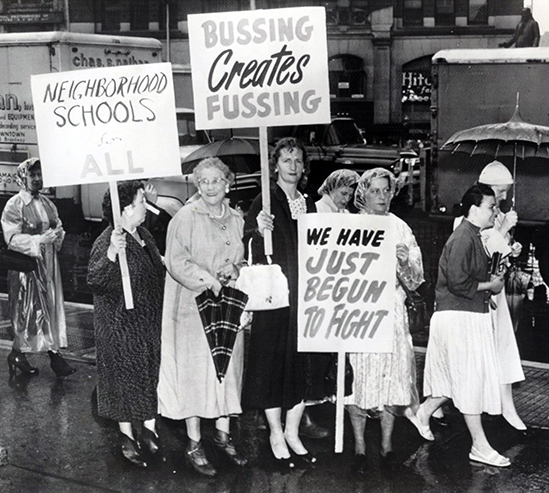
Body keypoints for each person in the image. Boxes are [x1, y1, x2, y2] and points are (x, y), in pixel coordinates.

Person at [243, 137, 330, 468]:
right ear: (275, 164)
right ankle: (275, 433)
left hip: (304, 297)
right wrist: (256, 229)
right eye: (286, 160)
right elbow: (247, 242)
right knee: (271, 363)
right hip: (274, 299)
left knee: (301, 365)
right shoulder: (264, 201)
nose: (293, 166)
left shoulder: (306, 203)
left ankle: (293, 432)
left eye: (298, 160)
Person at [158, 157, 247, 477]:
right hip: (193, 309)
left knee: (225, 373)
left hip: (226, 308)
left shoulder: (237, 218)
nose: (210, 187)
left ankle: (223, 438)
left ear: (228, 183)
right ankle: (194, 444)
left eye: (216, 180)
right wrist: (208, 279)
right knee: (195, 377)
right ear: (197, 185)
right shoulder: (184, 217)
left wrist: (236, 270)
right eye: (203, 181)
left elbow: (243, 257)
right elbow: (176, 261)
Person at [413, 184, 510, 468]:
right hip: (458, 319)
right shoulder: (463, 238)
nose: (496, 211)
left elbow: (468, 280)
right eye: (491, 207)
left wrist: (487, 291)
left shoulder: (474, 236)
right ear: (474, 208)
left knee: (455, 377)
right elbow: (457, 281)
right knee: (468, 381)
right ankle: (479, 446)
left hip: (464, 316)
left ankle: (423, 413)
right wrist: (490, 286)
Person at [345, 168, 423, 471]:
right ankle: (360, 446)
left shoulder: (400, 228)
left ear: (392, 193)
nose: (380, 196)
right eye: (374, 190)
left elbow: (416, 280)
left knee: (392, 379)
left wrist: (406, 262)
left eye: (385, 190)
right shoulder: (350, 225)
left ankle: (387, 445)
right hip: (357, 313)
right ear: (363, 193)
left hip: (391, 313)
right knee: (357, 380)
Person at [87, 181, 164, 468]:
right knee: (124, 381)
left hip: (145, 322)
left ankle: (149, 429)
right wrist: (110, 254)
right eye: (142, 201)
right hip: (120, 325)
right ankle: (126, 436)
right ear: (126, 210)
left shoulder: (142, 234)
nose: (146, 205)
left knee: (147, 375)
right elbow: (94, 279)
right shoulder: (108, 240)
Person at [455, 161, 526, 432]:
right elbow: (476, 256)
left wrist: (511, 248)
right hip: (476, 298)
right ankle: (431, 408)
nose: (504, 197)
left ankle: (506, 405)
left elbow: (495, 260)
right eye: (500, 191)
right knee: (470, 359)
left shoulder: (496, 218)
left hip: (494, 293)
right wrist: (503, 230)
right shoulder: (468, 219)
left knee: (504, 350)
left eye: (506, 192)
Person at [0, 157, 75, 378]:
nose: (37, 179)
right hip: (27, 268)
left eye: (40, 174)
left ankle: (51, 354)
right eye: (32, 175)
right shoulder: (15, 205)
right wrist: (39, 240)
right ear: (23, 177)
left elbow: (58, 226)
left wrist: (56, 234)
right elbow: (11, 238)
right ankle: (21, 353)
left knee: (49, 308)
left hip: (49, 266)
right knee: (27, 312)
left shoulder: (47, 203)